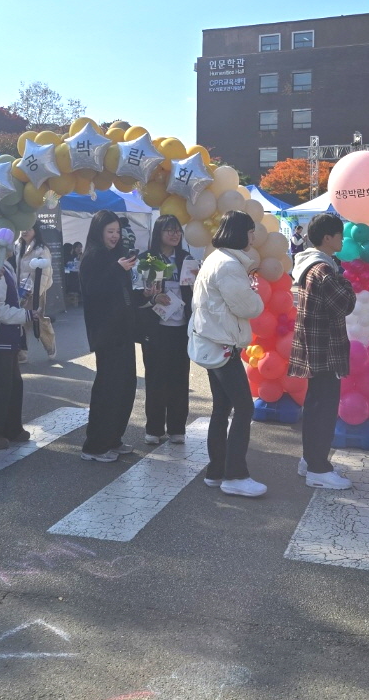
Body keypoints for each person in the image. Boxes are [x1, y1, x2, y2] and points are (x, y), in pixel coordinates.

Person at [188, 210, 266, 496]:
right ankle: (235, 474)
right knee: (244, 407)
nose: (254, 237)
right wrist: (255, 294)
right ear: (240, 233)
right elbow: (249, 307)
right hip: (224, 346)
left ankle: (216, 470)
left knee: (222, 408)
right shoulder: (229, 266)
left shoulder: (216, 259)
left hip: (213, 343)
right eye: (250, 231)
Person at [289, 212, 357, 490]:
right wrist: (346, 281)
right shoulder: (324, 269)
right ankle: (318, 466)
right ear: (327, 238)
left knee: (315, 405)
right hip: (325, 346)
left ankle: (310, 459)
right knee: (324, 408)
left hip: (312, 344)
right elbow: (346, 303)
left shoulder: (308, 264)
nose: (343, 239)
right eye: (340, 235)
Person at [79, 210, 141, 461]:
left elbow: (124, 294)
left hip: (123, 331)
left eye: (117, 231)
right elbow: (93, 292)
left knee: (126, 386)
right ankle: (94, 445)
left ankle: (113, 438)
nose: (115, 236)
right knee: (108, 388)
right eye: (110, 232)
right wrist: (116, 269)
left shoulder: (116, 256)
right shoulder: (93, 257)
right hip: (106, 333)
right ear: (99, 232)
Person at [141, 215, 194, 445]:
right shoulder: (150, 258)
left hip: (181, 328)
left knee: (179, 380)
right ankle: (154, 428)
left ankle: (177, 428)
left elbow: (193, 292)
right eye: (169, 230)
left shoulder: (186, 258)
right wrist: (153, 297)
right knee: (155, 379)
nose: (174, 235)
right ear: (159, 233)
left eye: (177, 231)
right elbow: (139, 292)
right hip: (156, 329)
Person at [0, 230, 32, 449]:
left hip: (7, 336)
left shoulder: (4, 265)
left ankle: (12, 428)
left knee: (12, 385)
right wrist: (25, 315)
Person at [17, 223, 57, 361]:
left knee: (37, 321)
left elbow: (45, 273)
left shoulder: (41, 249)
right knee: (20, 321)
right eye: (23, 228)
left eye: (29, 228)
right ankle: (22, 352)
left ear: (36, 231)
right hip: (20, 292)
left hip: (36, 292)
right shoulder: (17, 246)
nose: (25, 231)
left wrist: (36, 293)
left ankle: (50, 343)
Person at [62, 243, 81, 308]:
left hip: (67, 277)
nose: (79, 249)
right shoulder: (70, 257)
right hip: (70, 277)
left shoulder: (63, 256)